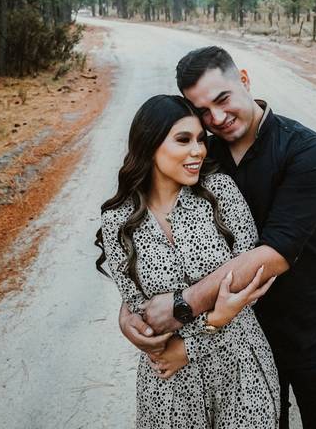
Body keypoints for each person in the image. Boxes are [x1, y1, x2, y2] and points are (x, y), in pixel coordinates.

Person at [118, 47, 316, 429]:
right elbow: (151, 232)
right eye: (204, 112)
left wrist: (181, 305)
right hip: (237, 337)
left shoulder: (305, 149)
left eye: (223, 99)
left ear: (244, 79)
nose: (218, 118)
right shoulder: (201, 158)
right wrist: (131, 309)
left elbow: (275, 253)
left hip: (312, 326)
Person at [96, 94, 280, 428]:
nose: (198, 151)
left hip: (240, 374)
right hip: (169, 385)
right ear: (150, 144)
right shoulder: (117, 221)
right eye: (183, 140)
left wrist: (192, 344)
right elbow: (146, 318)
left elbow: (254, 287)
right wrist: (214, 317)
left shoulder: (220, 193)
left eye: (200, 140)